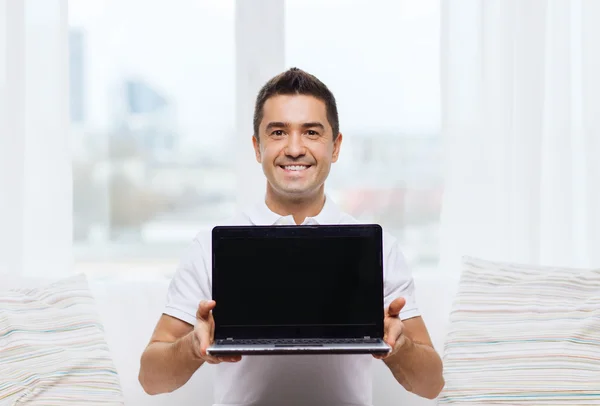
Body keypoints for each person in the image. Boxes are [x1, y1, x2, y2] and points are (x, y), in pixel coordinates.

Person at [138, 67, 445, 405]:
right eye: (278, 132)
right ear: (257, 147)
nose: (295, 148)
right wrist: (192, 347)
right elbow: (151, 380)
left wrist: (400, 349)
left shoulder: (379, 250)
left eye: (311, 132)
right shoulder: (209, 246)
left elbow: (430, 384)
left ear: (336, 146)